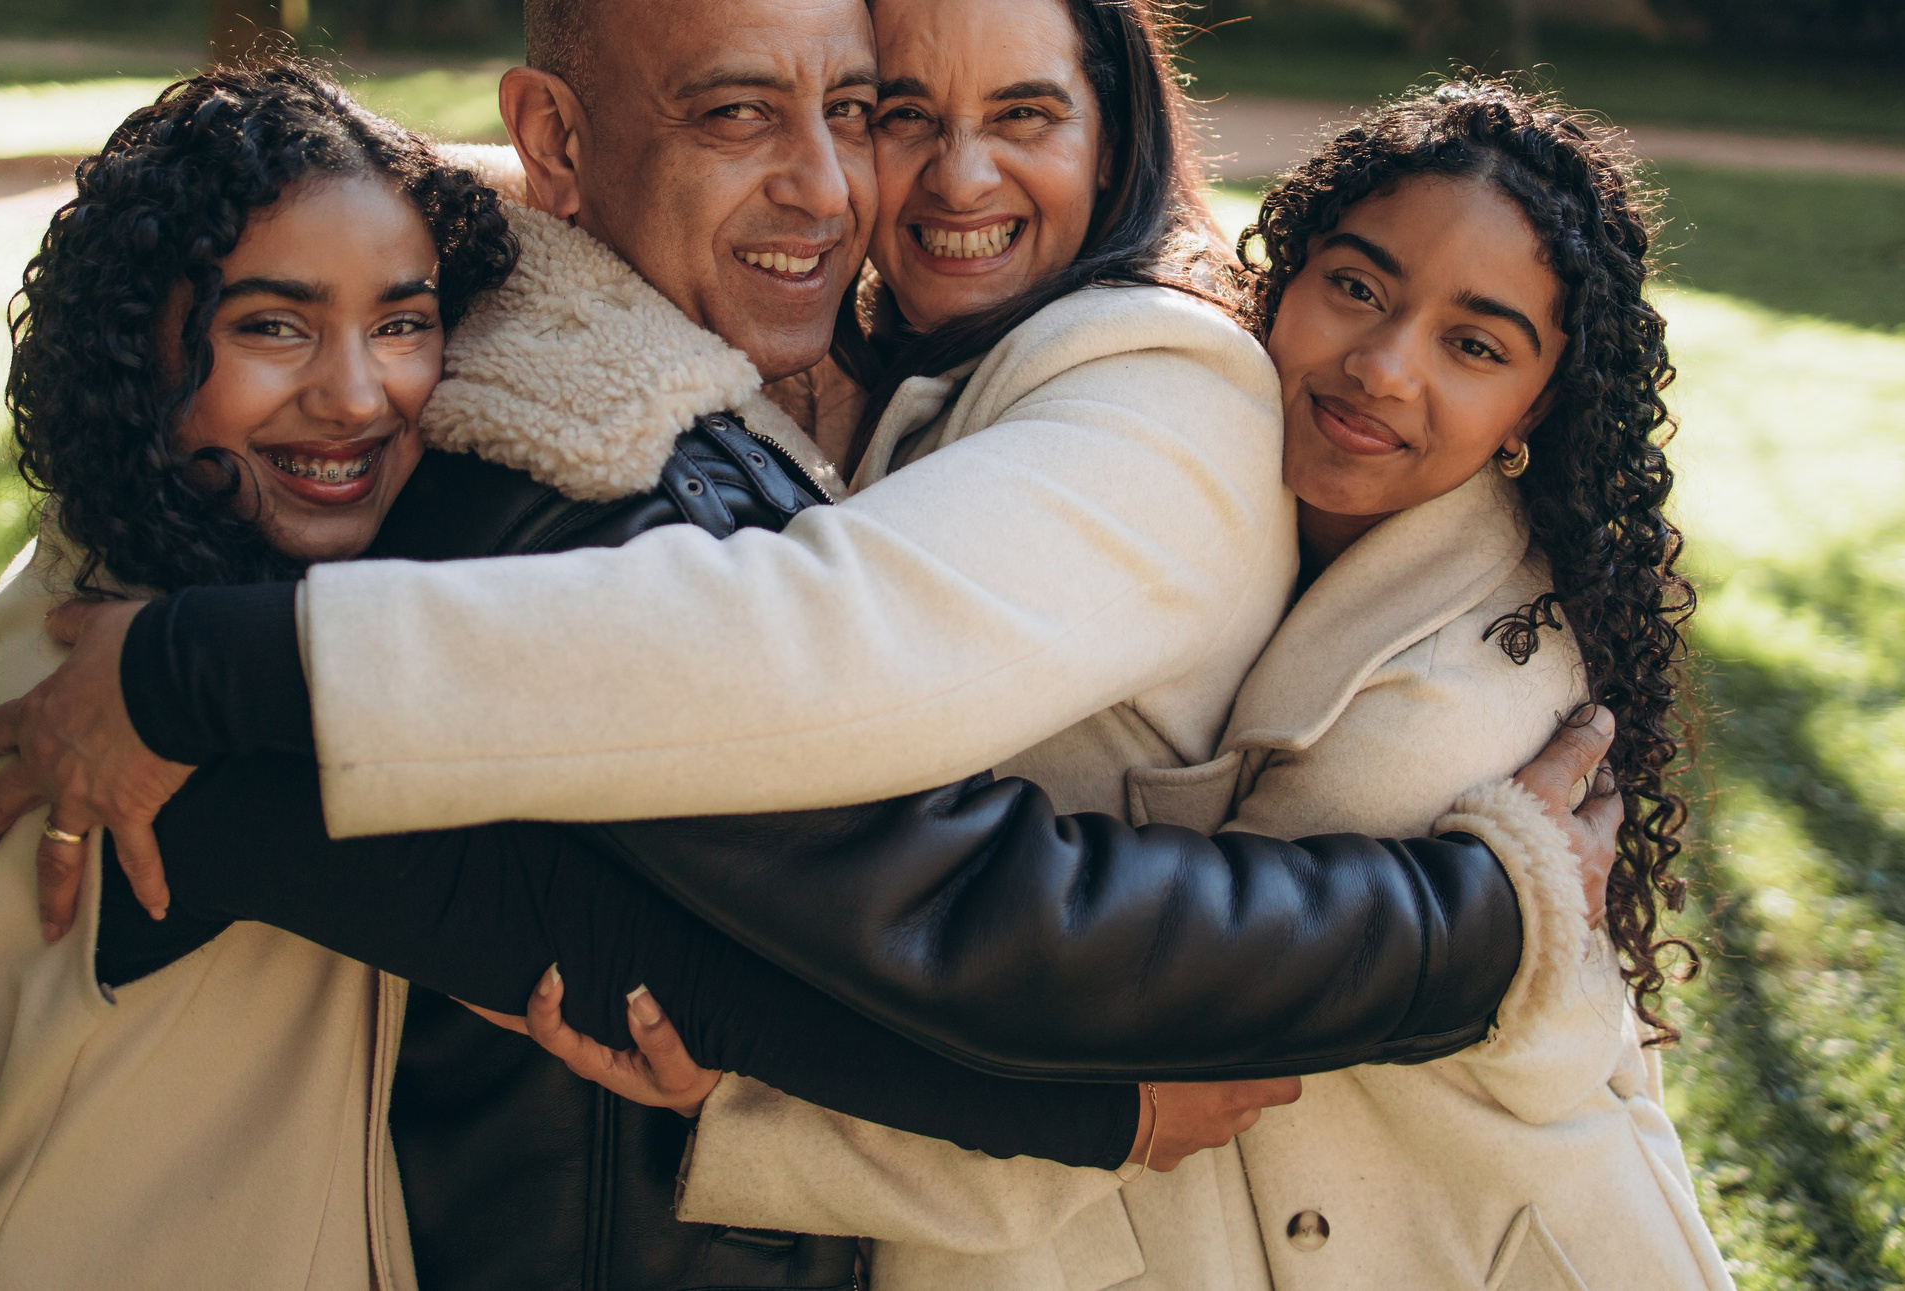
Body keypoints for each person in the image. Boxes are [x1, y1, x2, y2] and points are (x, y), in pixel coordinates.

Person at [0, 0, 1620, 1281]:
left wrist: (1473, 927)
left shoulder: (1159, 383)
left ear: (1119, 139)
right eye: (897, 110)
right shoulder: (139, 617)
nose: (891, 181)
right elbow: (615, 909)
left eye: (877, 112)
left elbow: (830, 704)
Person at [0, 63, 1254, 1291]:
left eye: (405, 321)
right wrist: (1097, 1106)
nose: (358, 393)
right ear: (136, 348)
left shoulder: (158, 574)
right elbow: (623, 954)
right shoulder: (141, 698)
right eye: (270, 326)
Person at [590, 81, 1734, 1290]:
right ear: (1281, 279)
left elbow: (1182, 1035)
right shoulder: (1178, 484)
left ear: (1535, 403)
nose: (1384, 367)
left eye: (1474, 345)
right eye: (1356, 287)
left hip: (1480, 1243)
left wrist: (764, 1100)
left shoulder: (1479, 671)